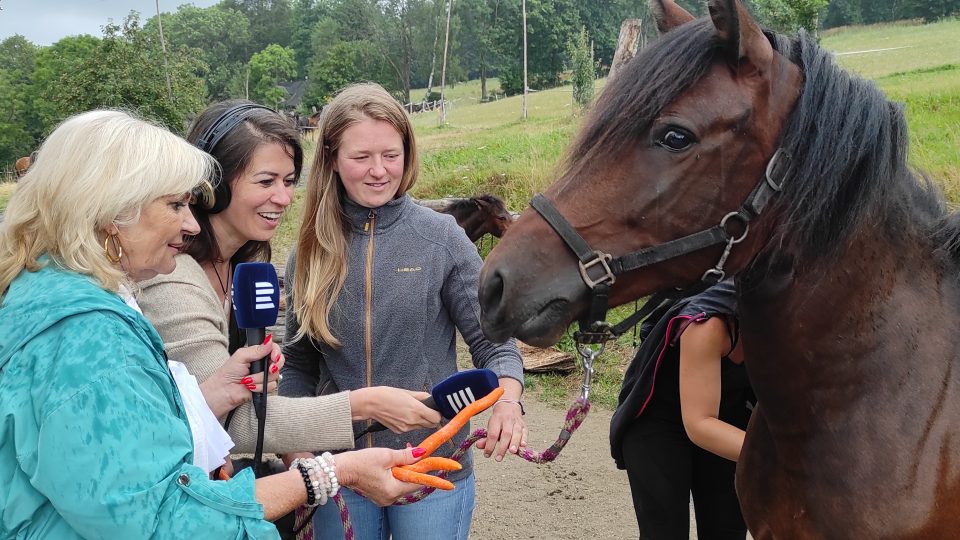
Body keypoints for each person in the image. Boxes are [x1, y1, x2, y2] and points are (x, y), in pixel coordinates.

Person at [0, 109, 428, 539]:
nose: (190, 221)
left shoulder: (67, 299)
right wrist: (332, 468)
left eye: (288, 181)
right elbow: (162, 520)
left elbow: (120, 450)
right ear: (112, 211)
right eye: (175, 204)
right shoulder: (90, 337)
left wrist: (209, 397)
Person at [281, 82, 527, 540]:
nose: (379, 171)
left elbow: (495, 343)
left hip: (433, 465)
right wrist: (297, 453)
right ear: (332, 158)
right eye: (361, 157)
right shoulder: (308, 251)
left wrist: (509, 401)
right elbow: (298, 366)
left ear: (407, 153)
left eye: (391, 155)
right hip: (341, 469)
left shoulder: (443, 238)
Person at [138, 99, 441, 460]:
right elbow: (239, 423)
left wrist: (293, 457)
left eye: (289, 181)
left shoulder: (241, 269)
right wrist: (366, 404)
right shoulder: (173, 282)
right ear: (211, 186)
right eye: (266, 181)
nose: (282, 198)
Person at [609, 279, 753, 540]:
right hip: (657, 424)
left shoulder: (793, 324)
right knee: (664, 533)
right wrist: (780, 456)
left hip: (729, 418)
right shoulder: (709, 323)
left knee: (728, 531)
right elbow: (700, 423)